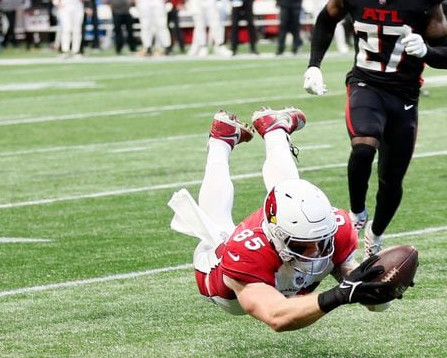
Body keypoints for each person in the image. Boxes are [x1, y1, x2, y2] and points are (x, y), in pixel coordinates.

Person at [303, 0, 447, 259]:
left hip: (403, 92)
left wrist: (426, 49)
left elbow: (446, 55)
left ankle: (376, 233)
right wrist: (314, 65)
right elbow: (326, 21)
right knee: (363, 146)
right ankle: (357, 214)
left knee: (391, 178)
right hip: (365, 83)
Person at [168, 107, 399, 331]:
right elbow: (276, 315)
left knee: (287, 190)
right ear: (276, 235)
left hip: (280, 240)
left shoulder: (335, 228)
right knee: (217, 225)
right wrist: (339, 294)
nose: (315, 252)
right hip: (220, 276)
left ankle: (275, 131)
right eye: (301, 244)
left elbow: (372, 299)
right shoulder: (246, 252)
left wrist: (381, 287)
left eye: (322, 240)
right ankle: (220, 142)